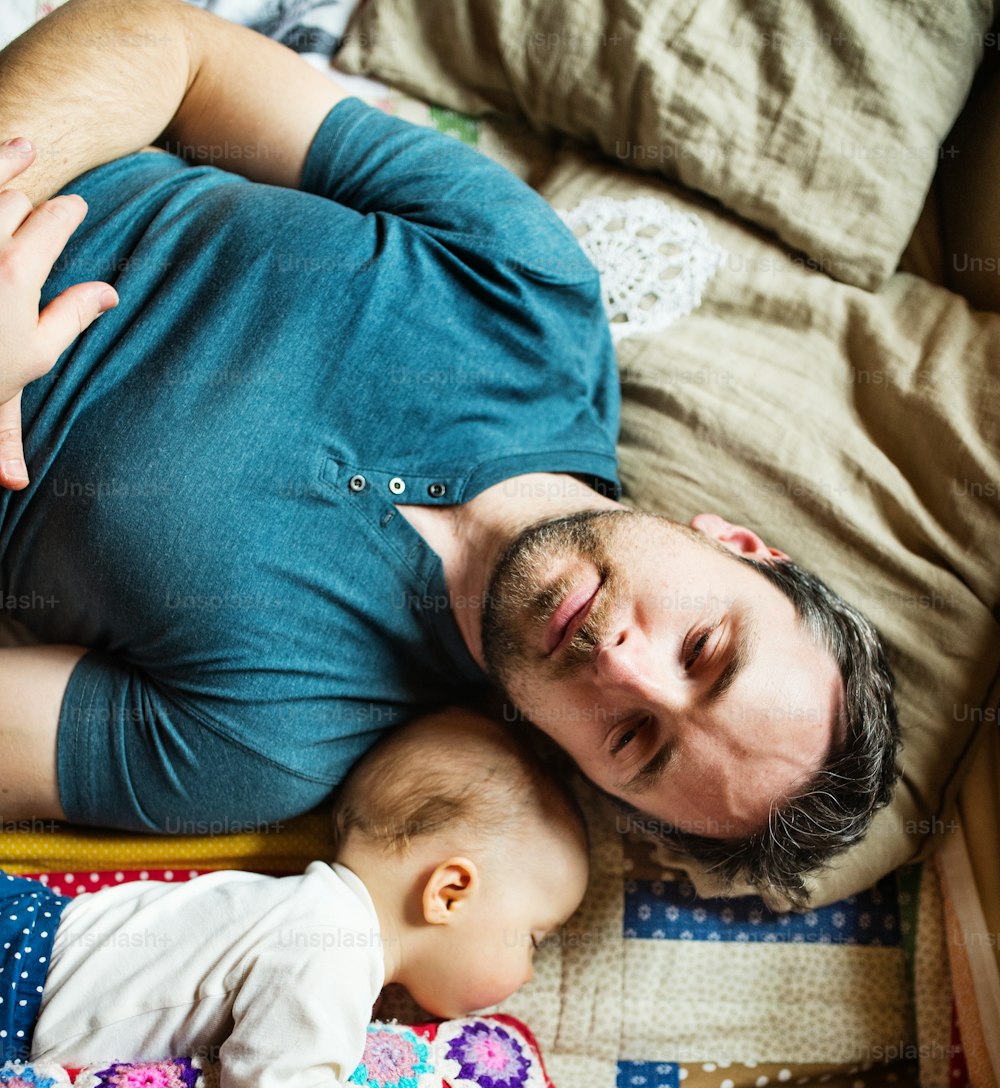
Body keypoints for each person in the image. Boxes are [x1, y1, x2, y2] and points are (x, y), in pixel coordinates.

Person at [0, 0, 899, 907]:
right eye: (703, 648)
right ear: (741, 545)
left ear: (585, 771)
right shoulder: (530, 284)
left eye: (633, 739)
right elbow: (172, 51)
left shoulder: (264, 745)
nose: (622, 667)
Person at [20, 708, 590, 1088]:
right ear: (449, 892)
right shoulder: (331, 950)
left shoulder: (303, 911)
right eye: (533, 940)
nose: (526, 974)